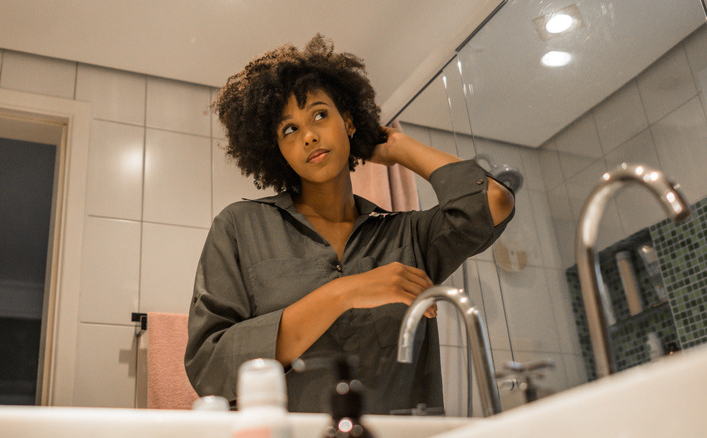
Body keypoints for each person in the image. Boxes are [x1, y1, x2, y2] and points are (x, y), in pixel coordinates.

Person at [185, 34, 514, 414]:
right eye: (289, 129)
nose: (308, 135)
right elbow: (209, 368)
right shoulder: (240, 227)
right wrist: (345, 293)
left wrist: (397, 147)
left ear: (350, 122)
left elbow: (493, 201)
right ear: (277, 150)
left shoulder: (408, 236)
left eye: (320, 115)